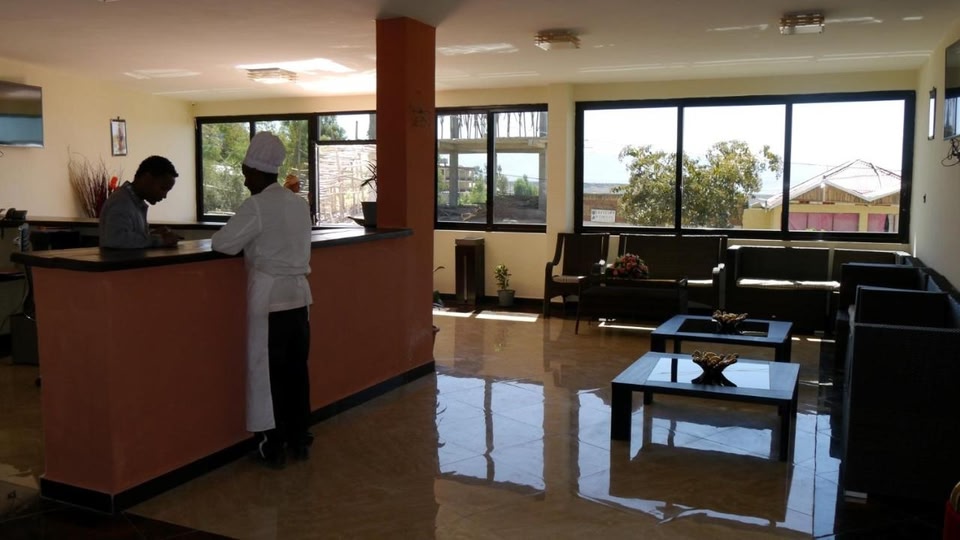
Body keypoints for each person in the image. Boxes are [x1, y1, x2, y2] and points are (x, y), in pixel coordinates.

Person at [211, 132, 314, 468]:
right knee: (296, 371)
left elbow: (222, 244)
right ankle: (300, 438)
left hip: (270, 301)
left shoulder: (256, 205)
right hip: (300, 300)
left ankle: (273, 445)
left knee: (268, 375)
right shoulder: (299, 204)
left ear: (256, 171)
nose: (244, 182)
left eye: (245, 174)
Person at [98, 155, 180, 248]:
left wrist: (151, 235)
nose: (164, 196)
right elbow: (115, 239)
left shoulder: (133, 202)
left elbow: (127, 238)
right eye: (163, 188)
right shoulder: (121, 202)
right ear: (147, 179)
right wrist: (159, 240)